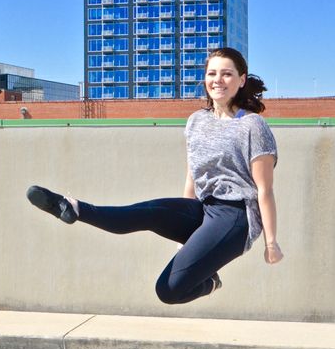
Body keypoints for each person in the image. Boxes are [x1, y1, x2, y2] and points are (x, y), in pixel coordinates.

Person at [27, 47, 283, 305]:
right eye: (212, 73)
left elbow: (265, 189)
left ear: (241, 80)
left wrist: (270, 242)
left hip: (236, 217)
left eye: (227, 74)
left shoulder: (252, 125)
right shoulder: (197, 121)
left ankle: (211, 281)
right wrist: (187, 225)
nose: (218, 80)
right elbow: (192, 174)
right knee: (146, 212)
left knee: (168, 290)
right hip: (204, 209)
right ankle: (73, 207)